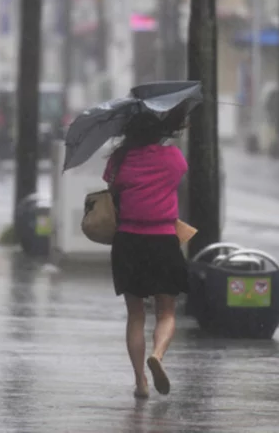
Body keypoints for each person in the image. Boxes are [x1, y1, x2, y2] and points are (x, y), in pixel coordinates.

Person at [102, 112, 189, 399]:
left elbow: (111, 188)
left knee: (135, 314)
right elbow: (179, 176)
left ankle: (140, 381)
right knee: (166, 311)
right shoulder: (173, 157)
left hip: (128, 241)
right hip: (163, 240)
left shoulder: (120, 160)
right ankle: (158, 355)